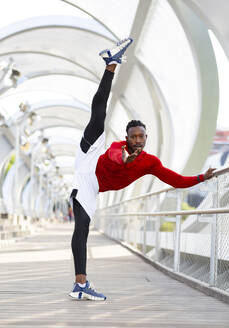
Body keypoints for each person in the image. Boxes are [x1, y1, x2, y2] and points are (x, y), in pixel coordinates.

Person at [69, 38, 216, 301]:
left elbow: (176, 179)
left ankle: (80, 285)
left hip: (90, 187)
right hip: (89, 159)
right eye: (133, 136)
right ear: (127, 137)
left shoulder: (150, 163)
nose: (137, 139)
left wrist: (201, 177)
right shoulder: (117, 147)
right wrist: (124, 159)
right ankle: (111, 65)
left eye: (141, 136)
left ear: (146, 138)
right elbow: (115, 157)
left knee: (82, 227)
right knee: (98, 117)